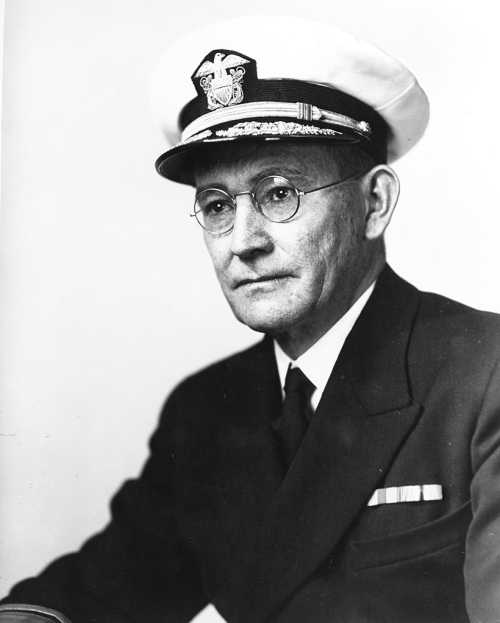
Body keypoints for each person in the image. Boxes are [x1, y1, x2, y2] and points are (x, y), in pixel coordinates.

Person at [2, 16, 500, 623]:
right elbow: (98, 588)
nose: (243, 241)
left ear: (375, 203)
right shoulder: (206, 410)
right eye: (216, 205)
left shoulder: (483, 376)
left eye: (279, 192)